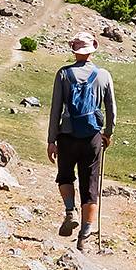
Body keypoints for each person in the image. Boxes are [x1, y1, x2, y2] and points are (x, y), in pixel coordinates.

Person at [47, 32, 116, 250]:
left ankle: (70, 210)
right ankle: (85, 235)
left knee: (65, 176)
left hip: (67, 136)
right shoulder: (103, 75)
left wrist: (51, 140)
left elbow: (56, 108)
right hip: (92, 137)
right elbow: (111, 108)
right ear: (92, 50)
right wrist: (108, 133)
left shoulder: (63, 74)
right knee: (90, 185)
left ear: (74, 51)